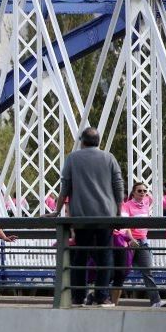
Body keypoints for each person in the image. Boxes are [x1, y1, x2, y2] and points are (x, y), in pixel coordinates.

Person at [52, 127, 124, 307]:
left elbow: (65, 187)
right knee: (105, 256)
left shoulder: (72, 159)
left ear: (82, 141)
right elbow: (118, 186)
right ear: (98, 141)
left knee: (80, 256)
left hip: (81, 217)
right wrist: (118, 212)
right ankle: (102, 296)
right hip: (106, 216)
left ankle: (78, 296)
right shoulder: (109, 158)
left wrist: (57, 210)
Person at [111, 183, 166, 307]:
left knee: (148, 271)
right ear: (133, 192)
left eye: (144, 190)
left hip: (143, 242)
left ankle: (156, 301)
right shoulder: (126, 206)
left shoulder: (147, 201)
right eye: (139, 191)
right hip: (130, 243)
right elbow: (125, 225)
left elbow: (153, 198)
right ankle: (100, 295)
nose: (142, 193)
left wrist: (148, 194)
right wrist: (131, 239)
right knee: (120, 274)